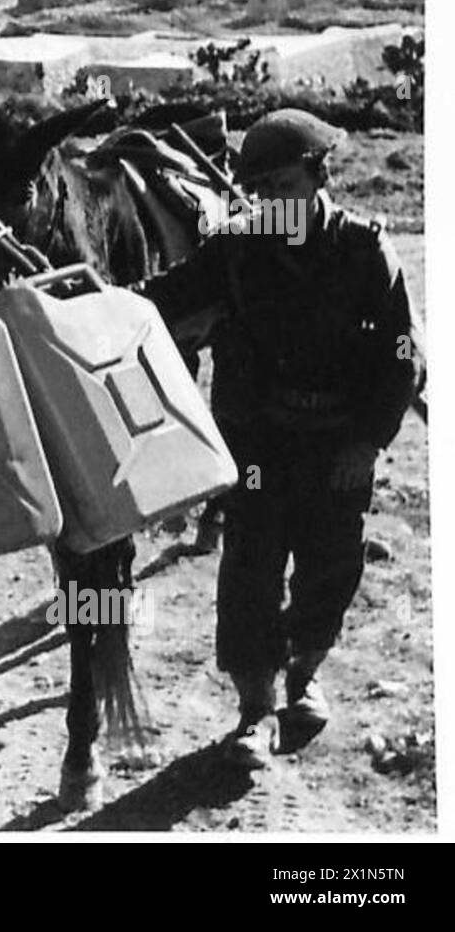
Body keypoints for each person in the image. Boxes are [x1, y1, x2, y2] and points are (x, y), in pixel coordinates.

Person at [136, 110, 424, 769]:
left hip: (336, 446)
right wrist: (92, 296)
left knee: (331, 571)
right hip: (258, 443)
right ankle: (254, 711)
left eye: (286, 186)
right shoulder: (236, 249)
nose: (274, 203)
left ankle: (304, 673)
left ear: (319, 177)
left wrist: (368, 442)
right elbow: (164, 298)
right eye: (261, 191)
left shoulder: (364, 251)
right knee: (249, 574)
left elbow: (403, 355)